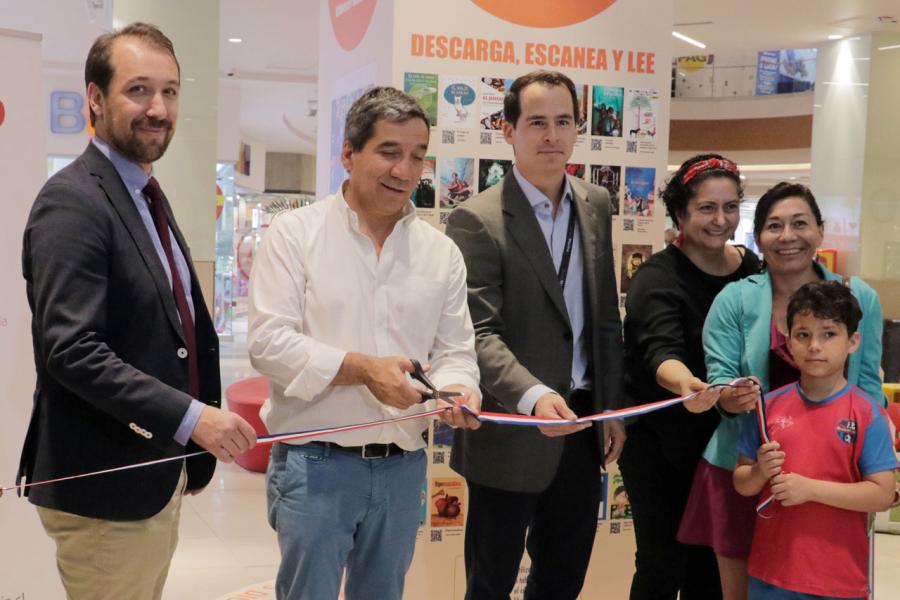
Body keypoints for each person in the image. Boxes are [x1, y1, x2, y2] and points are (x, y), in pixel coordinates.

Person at [17, 23, 257, 600]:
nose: (158, 108)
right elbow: (72, 349)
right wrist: (192, 418)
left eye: (170, 92)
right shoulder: (74, 200)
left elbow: (173, 329)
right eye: (139, 90)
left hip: (149, 470)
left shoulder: (143, 190)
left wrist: (184, 449)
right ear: (95, 99)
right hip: (107, 485)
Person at [247, 86, 481, 600]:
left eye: (417, 156)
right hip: (315, 465)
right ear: (349, 154)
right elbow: (268, 343)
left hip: (402, 467)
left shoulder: (440, 253)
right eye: (390, 152)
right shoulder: (294, 235)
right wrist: (362, 368)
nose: (405, 170)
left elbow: (456, 352)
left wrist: (457, 391)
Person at [445, 70, 625, 600]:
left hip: (582, 422)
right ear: (509, 130)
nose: (552, 136)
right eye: (538, 123)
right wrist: (534, 395)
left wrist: (611, 406)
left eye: (564, 122)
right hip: (509, 429)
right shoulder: (476, 219)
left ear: (577, 128)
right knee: (491, 582)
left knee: (562, 577)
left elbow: (604, 318)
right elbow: (479, 332)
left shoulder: (595, 204)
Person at [680, 182, 884, 600]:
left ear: (820, 231)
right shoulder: (734, 299)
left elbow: (869, 389)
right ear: (759, 238)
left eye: (799, 223)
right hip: (747, 469)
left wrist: (868, 465)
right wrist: (730, 398)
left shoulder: (859, 296)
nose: (787, 235)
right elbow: (720, 382)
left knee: (829, 580)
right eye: (774, 226)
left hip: (832, 478)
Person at [618, 155, 761, 600]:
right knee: (662, 563)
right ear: (680, 212)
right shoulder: (657, 276)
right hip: (661, 444)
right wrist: (687, 385)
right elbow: (658, 350)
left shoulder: (752, 269)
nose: (721, 220)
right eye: (706, 209)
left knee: (714, 566)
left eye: (731, 207)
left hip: (726, 441)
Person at [734, 281, 897, 599]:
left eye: (829, 334)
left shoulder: (866, 413)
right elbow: (742, 482)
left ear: (852, 342)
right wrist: (759, 472)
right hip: (771, 575)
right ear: (788, 341)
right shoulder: (767, 406)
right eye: (803, 335)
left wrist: (810, 490)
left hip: (837, 579)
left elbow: (882, 493)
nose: (814, 346)